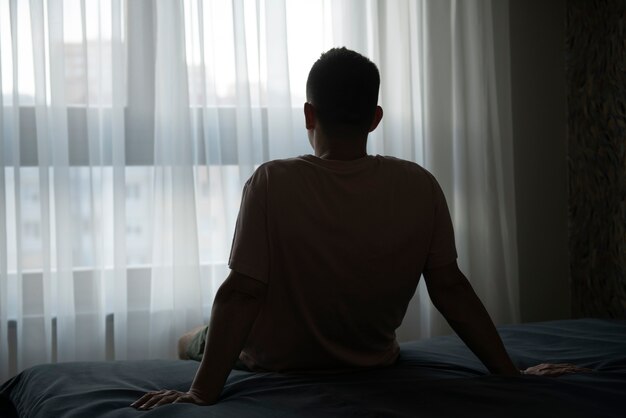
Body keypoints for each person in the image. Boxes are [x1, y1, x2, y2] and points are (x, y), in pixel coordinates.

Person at [132, 47, 588, 410]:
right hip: (371, 359)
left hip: (274, 361)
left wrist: (200, 395)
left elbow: (241, 292)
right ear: (375, 118)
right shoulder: (420, 186)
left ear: (309, 115)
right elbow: (450, 288)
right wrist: (509, 373)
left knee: (185, 339)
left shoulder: (271, 181)